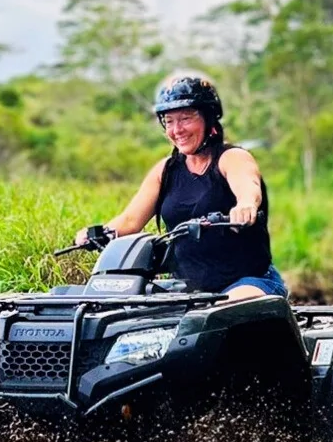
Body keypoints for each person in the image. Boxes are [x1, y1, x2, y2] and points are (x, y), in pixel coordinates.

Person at [74, 74, 287, 301]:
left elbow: (248, 186)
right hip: (189, 289)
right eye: (169, 121)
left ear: (209, 118)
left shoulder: (232, 158)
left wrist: (245, 205)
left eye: (186, 118)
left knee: (223, 310)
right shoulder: (165, 170)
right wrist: (96, 234)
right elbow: (129, 221)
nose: (177, 130)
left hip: (247, 282)